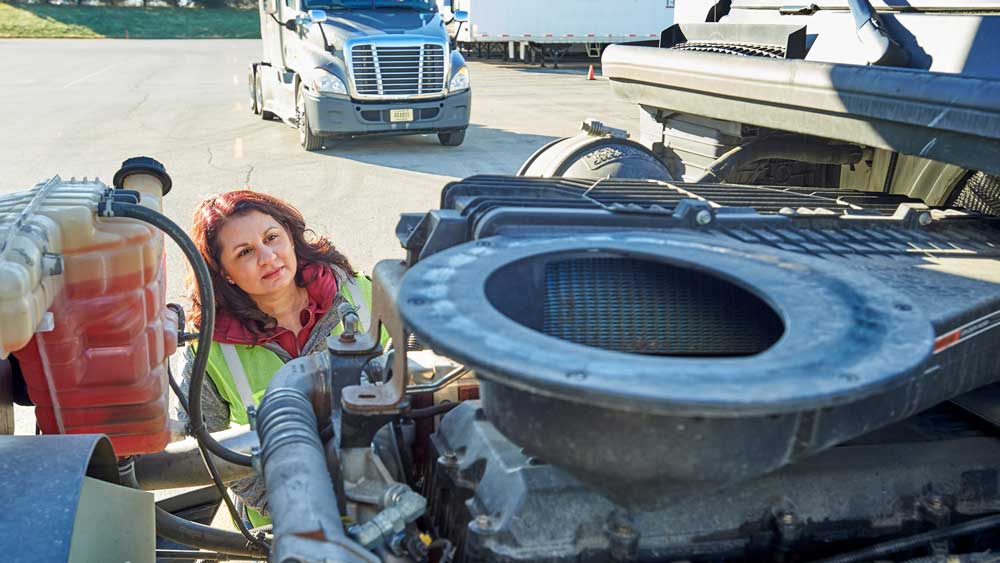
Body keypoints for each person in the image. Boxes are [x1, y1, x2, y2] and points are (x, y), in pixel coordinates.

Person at [176, 190, 378, 528]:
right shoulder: (209, 348)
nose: (268, 257)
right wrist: (293, 508)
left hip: (384, 493)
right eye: (245, 252)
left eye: (272, 238)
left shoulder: (364, 295)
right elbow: (207, 447)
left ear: (290, 236)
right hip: (279, 523)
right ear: (224, 273)